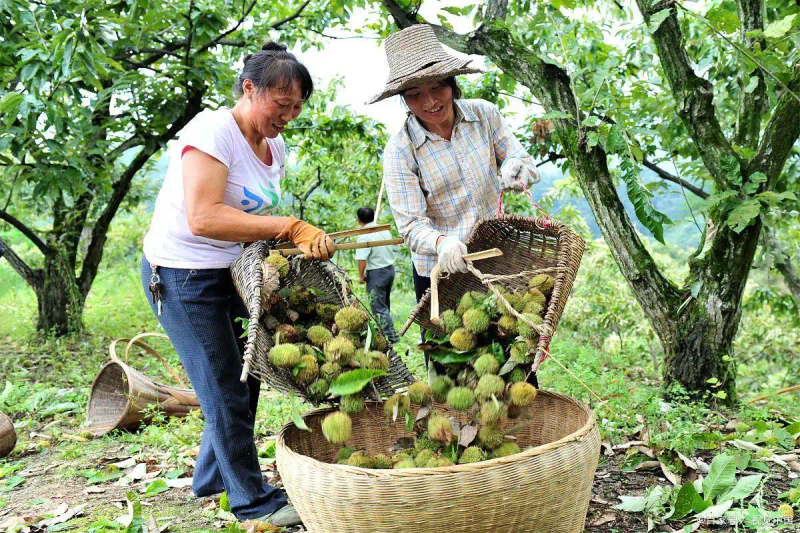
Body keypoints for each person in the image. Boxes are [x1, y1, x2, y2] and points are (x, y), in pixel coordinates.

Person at [140, 42, 335, 526]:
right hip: (180, 275)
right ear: (249, 89)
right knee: (224, 385)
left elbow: (249, 217)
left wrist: (289, 244)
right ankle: (252, 500)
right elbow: (204, 217)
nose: (287, 115)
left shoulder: (276, 145)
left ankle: (212, 479)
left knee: (245, 380)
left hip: (231, 273)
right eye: (280, 103)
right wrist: (287, 226)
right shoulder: (212, 131)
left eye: (296, 107)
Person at [368, 25, 541, 380]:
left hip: (495, 259)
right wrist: (442, 242)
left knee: (515, 359)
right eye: (415, 94)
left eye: (437, 87)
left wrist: (515, 167)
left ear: (452, 83)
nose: (430, 102)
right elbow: (411, 226)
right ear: (403, 99)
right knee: (453, 373)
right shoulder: (401, 150)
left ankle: (528, 432)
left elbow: (520, 159)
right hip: (440, 274)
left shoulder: (485, 115)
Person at [355, 206, 400, 344]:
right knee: (384, 304)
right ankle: (385, 332)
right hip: (389, 270)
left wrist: (361, 276)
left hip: (377, 273)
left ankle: (391, 338)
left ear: (358, 220)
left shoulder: (364, 235)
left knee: (378, 306)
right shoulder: (384, 230)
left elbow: (362, 259)